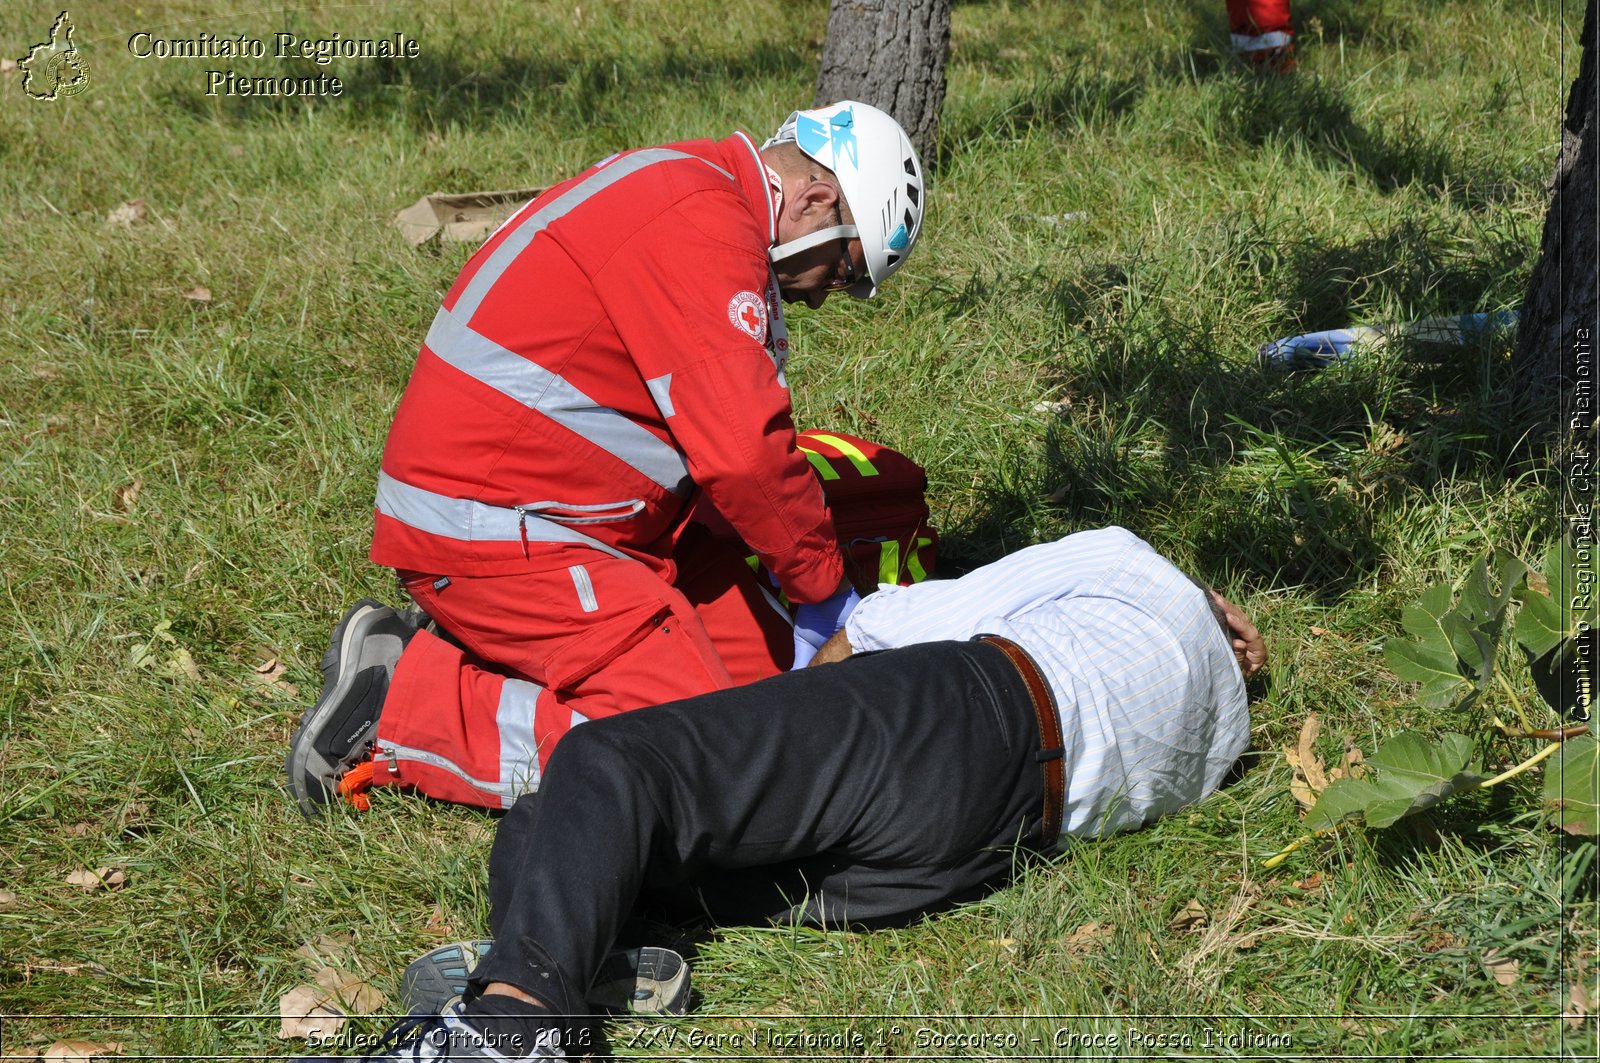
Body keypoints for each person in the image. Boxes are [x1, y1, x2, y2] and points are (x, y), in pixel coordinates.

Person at [293, 527, 1266, 1062]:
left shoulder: (1131, 561)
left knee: (610, 767)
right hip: (978, 849)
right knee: (595, 841)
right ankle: (574, 972)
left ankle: (512, 1023)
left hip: (964, 712)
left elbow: (893, 621)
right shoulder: (1225, 737)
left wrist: (760, 734)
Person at [285, 101, 928, 815]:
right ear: (816, 201)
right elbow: (745, 457)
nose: (827, 297)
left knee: (753, 685)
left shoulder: (694, 187)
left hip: (538, 509)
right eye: (846, 271)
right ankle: (405, 704)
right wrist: (822, 587)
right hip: (501, 527)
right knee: (700, 751)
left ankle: (483, 654)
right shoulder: (703, 228)